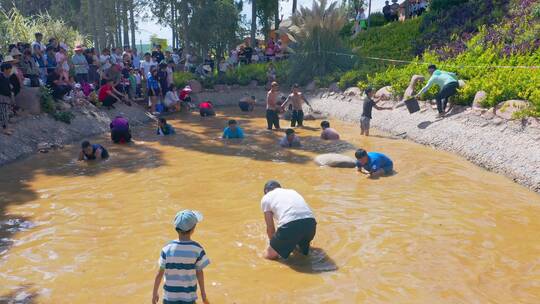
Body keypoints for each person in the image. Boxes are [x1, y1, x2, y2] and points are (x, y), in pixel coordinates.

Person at [152, 209, 210, 304]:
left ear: (176, 228)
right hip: (189, 298)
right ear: (193, 228)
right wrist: (203, 295)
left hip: (169, 298)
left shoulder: (166, 249)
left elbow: (159, 273)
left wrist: (154, 293)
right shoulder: (197, 249)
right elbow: (200, 273)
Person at [260, 180, 317, 260]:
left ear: (266, 191)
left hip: (290, 225)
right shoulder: (292, 191)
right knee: (302, 255)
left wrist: (274, 245)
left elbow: (270, 228)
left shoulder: (266, 198)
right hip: (311, 224)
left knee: (268, 256)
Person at [0, 62, 16, 135]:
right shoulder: (1, 77)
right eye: (10, 69)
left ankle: (7, 127)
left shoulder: (6, 77)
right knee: (4, 113)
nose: (10, 70)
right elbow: (3, 88)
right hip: (2, 98)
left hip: (6, 97)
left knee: (6, 113)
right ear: (5, 69)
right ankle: (4, 129)